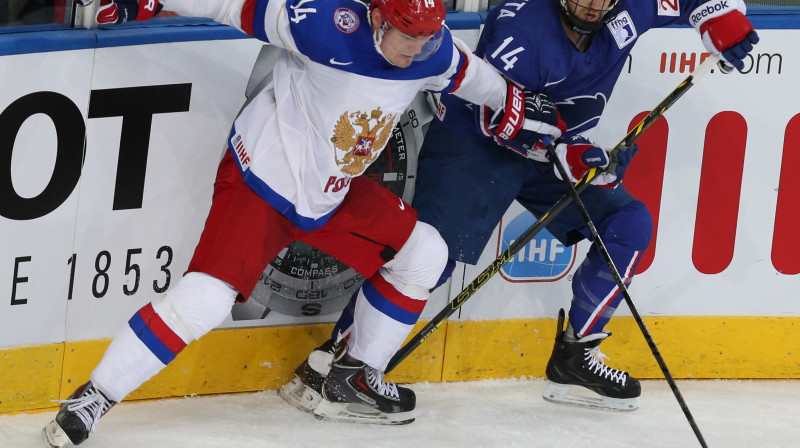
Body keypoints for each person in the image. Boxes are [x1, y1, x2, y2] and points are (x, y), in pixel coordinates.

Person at [42, 0, 561, 445]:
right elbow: (229, 5)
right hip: (261, 183)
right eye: (408, 37)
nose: (417, 51)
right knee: (206, 300)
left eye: (427, 39)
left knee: (425, 253)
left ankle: (351, 377)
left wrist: (521, 107)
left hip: (332, 191)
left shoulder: (432, 47)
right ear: (377, 17)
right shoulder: (321, 24)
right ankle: (94, 397)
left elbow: (475, 78)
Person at [283, 0, 759, 415]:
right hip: (476, 145)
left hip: (555, 152)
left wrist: (718, 16)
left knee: (628, 223)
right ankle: (337, 364)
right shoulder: (523, 31)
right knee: (431, 256)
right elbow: (498, 115)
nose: (593, 6)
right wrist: (573, 154)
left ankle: (576, 354)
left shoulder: (628, 9)